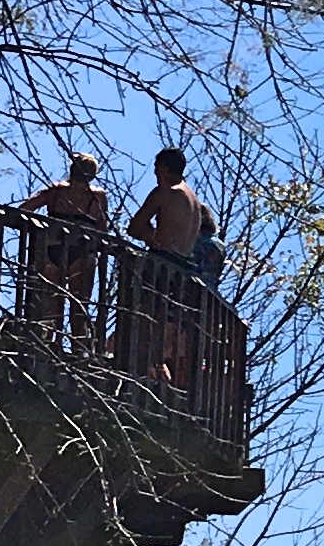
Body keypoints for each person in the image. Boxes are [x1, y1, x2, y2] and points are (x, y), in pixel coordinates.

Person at [126, 145, 220, 387]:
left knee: (144, 318)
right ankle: (160, 374)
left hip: (161, 264)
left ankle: (144, 372)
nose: (155, 174)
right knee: (162, 327)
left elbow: (134, 227)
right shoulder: (194, 201)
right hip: (183, 272)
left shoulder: (164, 192)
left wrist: (151, 237)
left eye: (157, 168)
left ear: (165, 168)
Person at [20, 153, 112, 337]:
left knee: (51, 305)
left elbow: (24, 209)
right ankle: (78, 350)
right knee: (79, 307)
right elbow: (103, 231)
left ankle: (50, 346)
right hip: (82, 253)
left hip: (53, 249)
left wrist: (41, 231)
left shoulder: (56, 191)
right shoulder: (98, 197)